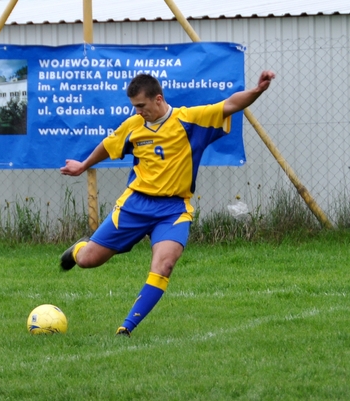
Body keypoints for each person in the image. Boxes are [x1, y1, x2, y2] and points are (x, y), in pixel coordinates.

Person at [59, 70, 276, 337]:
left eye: (141, 105)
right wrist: (83, 165)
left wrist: (257, 90)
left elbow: (230, 104)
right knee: (88, 261)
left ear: (158, 99)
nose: (138, 111)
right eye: (134, 106)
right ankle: (79, 249)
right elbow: (109, 145)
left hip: (173, 210)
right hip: (134, 205)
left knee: (164, 265)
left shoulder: (189, 120)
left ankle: (126, 328)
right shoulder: (134, 125)